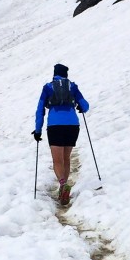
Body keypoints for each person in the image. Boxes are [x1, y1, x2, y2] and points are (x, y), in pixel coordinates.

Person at [33, 63, 89, 206]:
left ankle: (63, 184)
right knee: (66, 158)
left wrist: (38, 130)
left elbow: (40, 111)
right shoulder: (73, 87)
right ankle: (64, 188)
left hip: (55, 126)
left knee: (57, 160)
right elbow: (85, 105)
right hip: (72, 126)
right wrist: (79, 107)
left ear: (55, 74)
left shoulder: (48, 87)